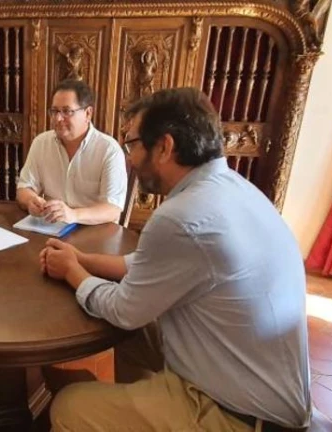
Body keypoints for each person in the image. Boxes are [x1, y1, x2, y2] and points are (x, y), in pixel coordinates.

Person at [40, 88, 311, 431]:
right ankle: (142, 410)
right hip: (260, 389)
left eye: (132, 144)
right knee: (135, 333)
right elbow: (144, 267)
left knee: (68, 406)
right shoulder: (234, 188)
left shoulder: (180, 216)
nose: (130, 159)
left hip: (238, 415)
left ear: (164, 147)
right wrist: (82, 259)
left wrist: (72, 271)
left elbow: (123, 310)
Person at [16, 79, 127, 225]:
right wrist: (31, 201)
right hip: (52, 226)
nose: (58, 118)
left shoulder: (109, 150)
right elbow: (24, 188)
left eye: (67, 111)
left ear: (88, 113)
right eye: (54, 111)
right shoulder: (41, 143)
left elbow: (112, 209)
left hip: (95, 230)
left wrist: (73, 215)